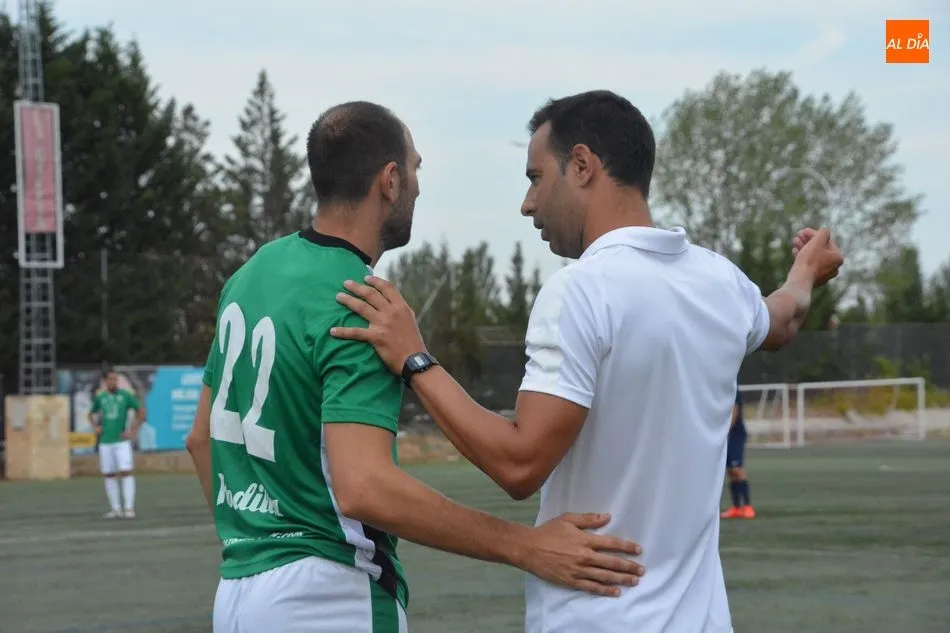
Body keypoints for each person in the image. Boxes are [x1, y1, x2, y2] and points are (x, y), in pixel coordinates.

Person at [331, 90, 844, 633]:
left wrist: (415, 360)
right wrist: (806, 272)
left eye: (535, 178)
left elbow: (519, 465)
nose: (528, 205)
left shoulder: (581, 291)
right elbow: (783, 318)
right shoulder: (719, 281)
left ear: (581, 166)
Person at [185, 100, 644, 633]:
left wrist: (257, 538)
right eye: (417, 168)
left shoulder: (248, 276)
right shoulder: (362, 302)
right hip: (329, 597)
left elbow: (201, 439)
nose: (421, 186)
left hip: (240, 590)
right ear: (390, 181)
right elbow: (364, 487)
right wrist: (525, 546)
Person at [89, 369, 145, 519]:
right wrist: (95, 427)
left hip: (121, 441)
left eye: (115, 379)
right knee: (109, 474)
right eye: (110, 379)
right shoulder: (101, 398)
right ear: (106, 382)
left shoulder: (126, 396)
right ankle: (115, 509)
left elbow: (141, 411)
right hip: (105, 441)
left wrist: (133, 430)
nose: (113, 382)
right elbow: (91, 413)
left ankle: (129, 507)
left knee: (126, 471)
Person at [721, 389, 755, 519]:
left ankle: (747, 506)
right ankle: (736, 507)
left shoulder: (733, 387)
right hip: (724, 435)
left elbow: (735, 410)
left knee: (737, 469)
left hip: (734, 435)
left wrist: (726, 430)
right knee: (730, 471)